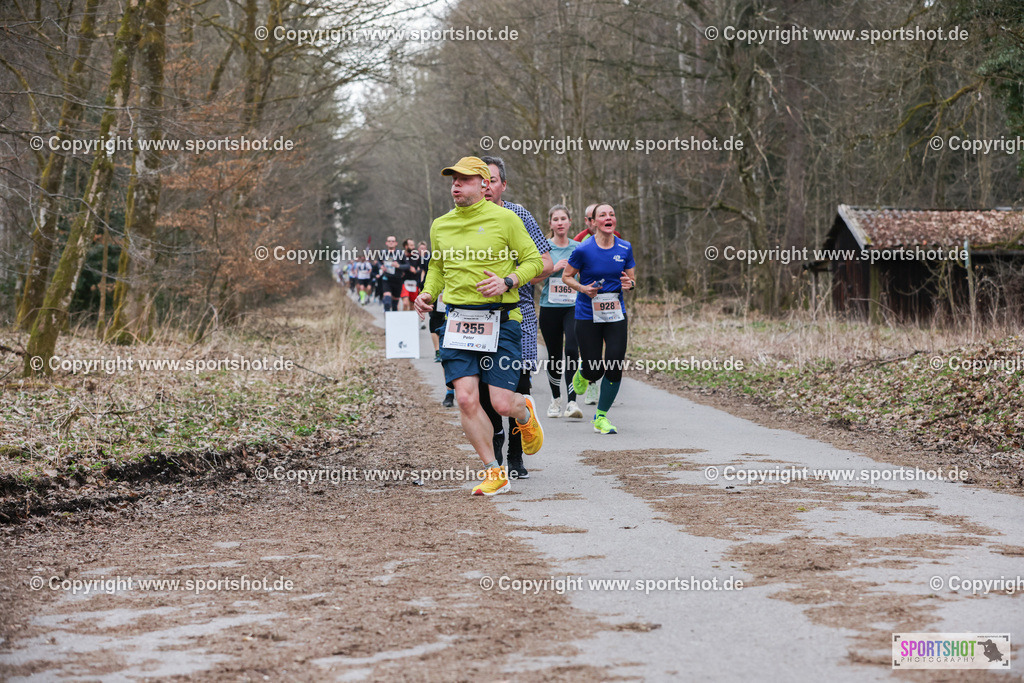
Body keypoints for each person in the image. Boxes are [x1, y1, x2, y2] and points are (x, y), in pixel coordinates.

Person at [414, 155, 545, 496]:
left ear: (484, 184)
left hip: (501, 319)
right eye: (453, 179)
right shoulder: (440, 225)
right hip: (457, 320)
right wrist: (427, 295)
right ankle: (493, 469)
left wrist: (508, 280)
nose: (455, 185)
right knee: (466, 399)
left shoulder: (506, 219)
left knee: (502, 403)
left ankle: (524, 412)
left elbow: (534, 261)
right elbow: (437, 269)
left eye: (464, 179)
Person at [477, 155, 553, 480]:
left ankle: (516, 455)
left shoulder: (518, 214)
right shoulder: (462, 221)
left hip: (516, 313)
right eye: (480, 181)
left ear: (503, 184)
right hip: (477, 316)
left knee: (516, 386)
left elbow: (546, 263)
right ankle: (495, 458)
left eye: (492, 180)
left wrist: (515, 278)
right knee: (485, 391)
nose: (486, 187)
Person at [562, 203, 636, 434]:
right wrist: (583, 288)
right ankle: (583, 373)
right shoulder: (584, 249)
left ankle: (601, 417)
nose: (608, 217)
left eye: (612, 214)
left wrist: (630, 284)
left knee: (614, 364)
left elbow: (631, 279)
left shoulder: (625, 247)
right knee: (595, 370)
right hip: (587, 314)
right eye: (602, 215)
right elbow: (566, 276)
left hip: (615, 314)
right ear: (593, 222)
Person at [538, 205, 583, 419]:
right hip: (549, 308)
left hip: (573, 307)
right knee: (554, 355)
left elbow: (589, 273)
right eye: (555, 219)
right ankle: (556, 400)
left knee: (572, 350)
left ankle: (572, 402)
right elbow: (532, 278)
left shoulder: (579, 248)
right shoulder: (544, 247)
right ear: (550, 224)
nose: (560, 222)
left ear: (570, 221)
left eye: (563, 218)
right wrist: (553, 268)